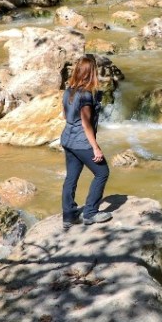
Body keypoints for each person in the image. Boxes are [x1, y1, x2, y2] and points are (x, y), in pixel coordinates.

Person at [60, 54, 112, 231]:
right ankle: (90, 213)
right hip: (81, 141)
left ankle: (69, 215)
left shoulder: (68, 91)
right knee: (102, 172)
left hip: (67, 138)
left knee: (71, 177)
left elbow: (66, 116)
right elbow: (86, 124)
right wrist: (96, 148)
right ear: (91, 73)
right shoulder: (86, 95)